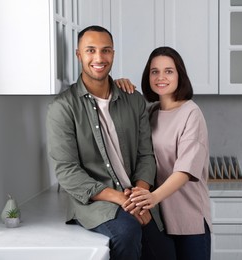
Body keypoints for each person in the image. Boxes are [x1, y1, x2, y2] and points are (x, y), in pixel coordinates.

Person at [46, 26, 175, 260]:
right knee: (127, 232)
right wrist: (121, 199)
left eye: (105, 50)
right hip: (97, 202)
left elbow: (146, 155)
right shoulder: (62, 108)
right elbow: (67, 171)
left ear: (113, 54)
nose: (99, 58)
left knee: (165, 251)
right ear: (79, 55)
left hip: (137, 195)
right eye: (91, 50)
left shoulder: (134, 100)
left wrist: (139, 195)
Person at [117, 46, 212, 260]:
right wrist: (117, 87)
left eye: (168, 71)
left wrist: (152, 197)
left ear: (180, 75)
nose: (161, 77)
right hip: (159, 219)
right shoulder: (150, 112)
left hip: (188, 219)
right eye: (154, 71)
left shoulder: (191, 113)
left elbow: (185, 171)